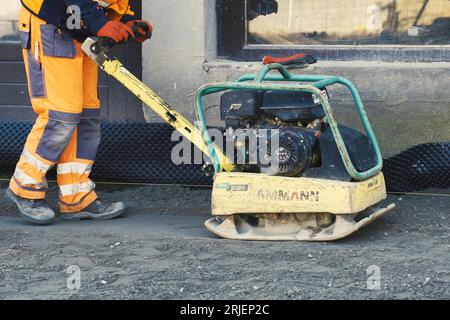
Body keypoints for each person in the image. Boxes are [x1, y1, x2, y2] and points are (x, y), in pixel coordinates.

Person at [6, 0, 152, 224]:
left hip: (80, 29)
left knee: (86, 115)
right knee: (60, 114)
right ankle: (25, 186)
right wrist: (99, 22)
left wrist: (123, 20)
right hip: (51, 23)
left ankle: (76, 196)